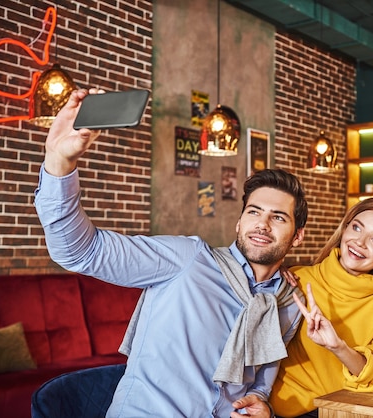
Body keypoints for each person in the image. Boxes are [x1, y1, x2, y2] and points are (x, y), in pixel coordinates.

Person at [34, 88, 309, 418]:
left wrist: (260, 399)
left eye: (278, 217)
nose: (262, 224)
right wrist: (59, 161)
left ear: (297, 236)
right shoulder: (187, 260)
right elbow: (80, 251)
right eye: (254, 212)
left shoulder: (288, 303)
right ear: (238, 222)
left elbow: (263, 373)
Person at [270, 197, 373, 417]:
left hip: (341, 410)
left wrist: (338, 347)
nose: (360, 242)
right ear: (344, 229)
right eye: (357, 227)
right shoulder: (296, 278)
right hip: (281, 409)